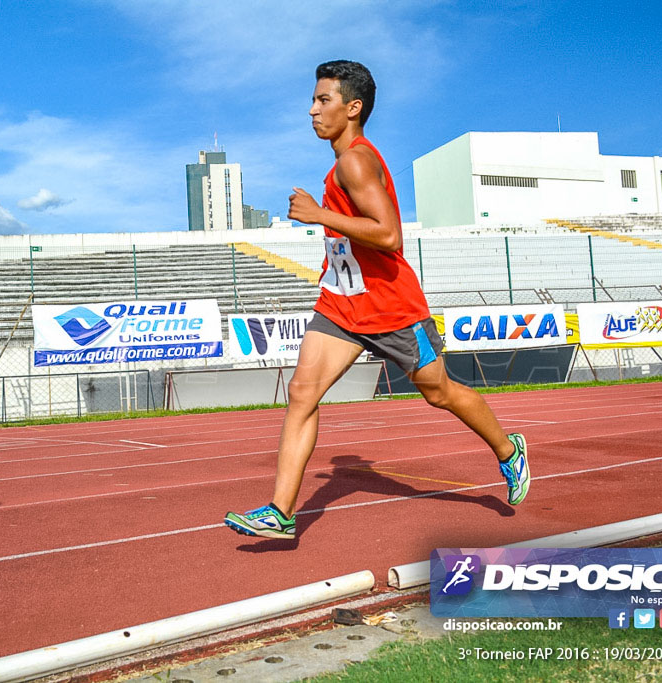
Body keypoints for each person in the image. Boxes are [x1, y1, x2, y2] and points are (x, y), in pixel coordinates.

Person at [224, 60, 529, 540]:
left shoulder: (356, 160)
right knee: (302, 393)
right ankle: (282, 512)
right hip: (341, 303)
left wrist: (318, 213)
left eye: (323, 100)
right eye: (314, 99)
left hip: (390, 306)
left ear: (353, 107)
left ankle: (509, 450)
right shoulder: (340, 163)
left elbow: (388, 235)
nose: (312, 110)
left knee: (438, 391)